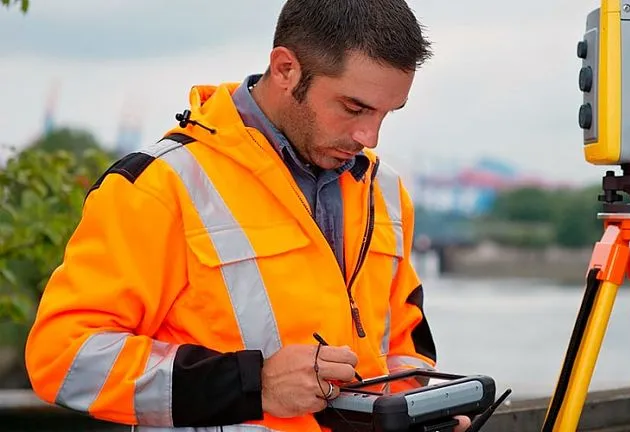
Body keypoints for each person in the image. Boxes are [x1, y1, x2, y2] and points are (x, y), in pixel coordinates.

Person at [24, 1, 472, 431]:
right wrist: (254, 384)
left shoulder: (384, 192)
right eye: (354, 108)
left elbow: (405, 348)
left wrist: (412, 417)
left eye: (386, 113)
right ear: (286, 69)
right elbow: (64, 358)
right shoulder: (159, 186)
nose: (369, 136)